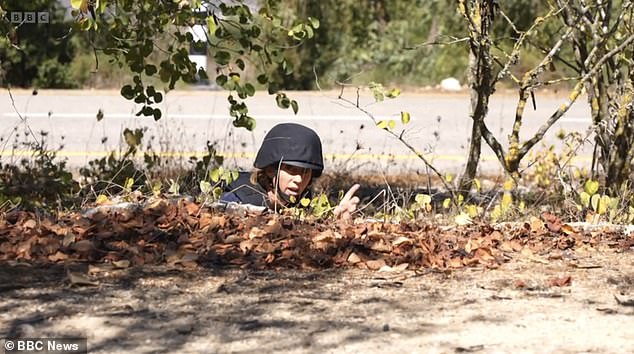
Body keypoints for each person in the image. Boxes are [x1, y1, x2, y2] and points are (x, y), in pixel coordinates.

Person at [220, 123, 360, 219]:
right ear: (270, 170)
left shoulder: (302, 202)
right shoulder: (237, 198)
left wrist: (335, 220)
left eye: (305, 172)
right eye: (290, 170)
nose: (299, 179)